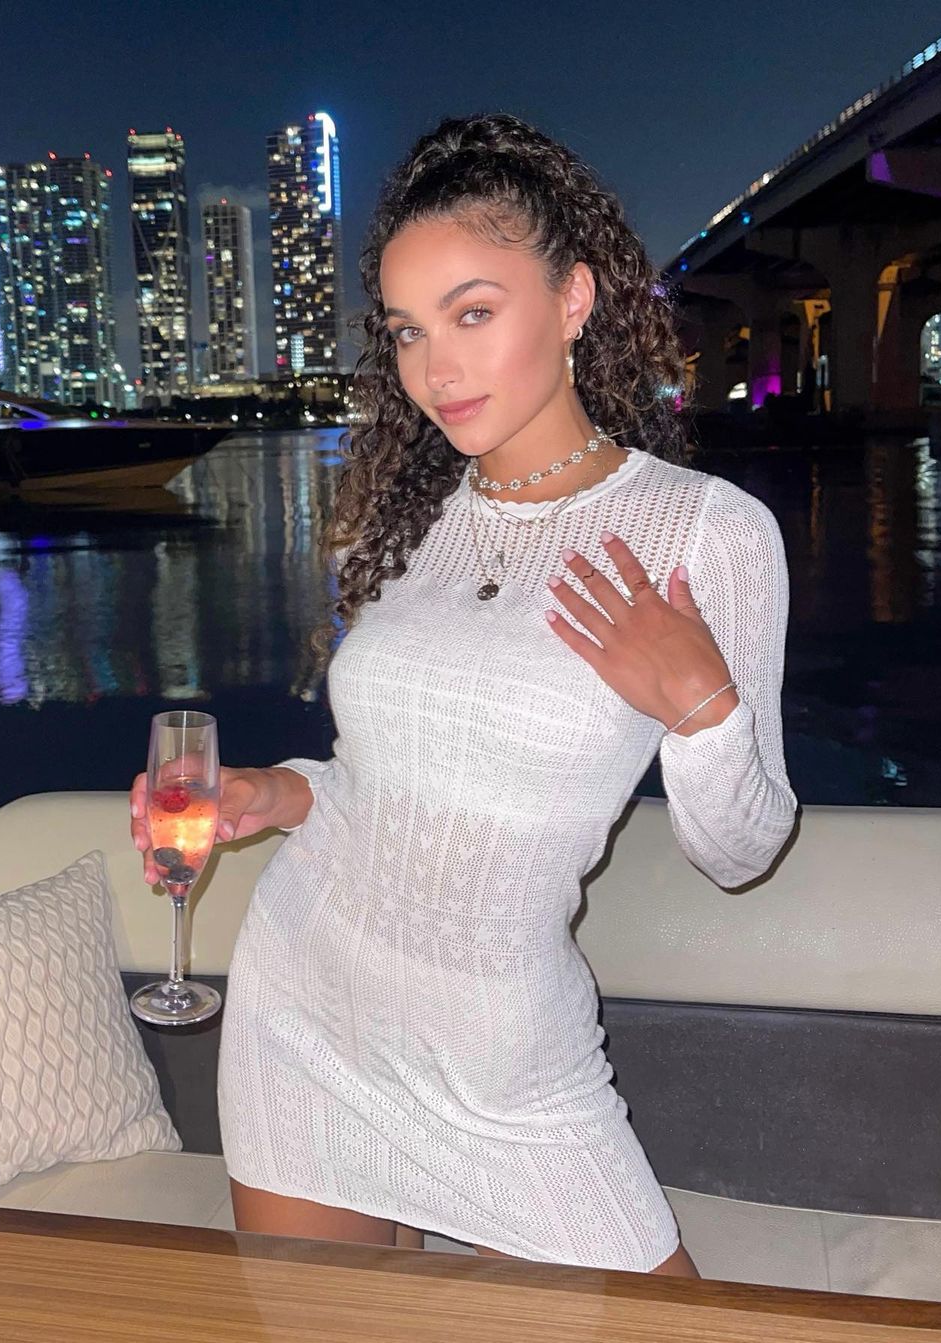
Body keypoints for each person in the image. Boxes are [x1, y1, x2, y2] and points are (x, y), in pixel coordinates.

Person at [130, 113, 798, 1276]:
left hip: (508, 1067)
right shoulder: (408, 521)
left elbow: (743, 849)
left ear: (574, 298)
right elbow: (385, 779)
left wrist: (702, 707)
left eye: (473, 313)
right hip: (306, 1011)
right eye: (407, 331)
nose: (434, 369)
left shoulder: (705, 533)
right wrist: (277, 791)